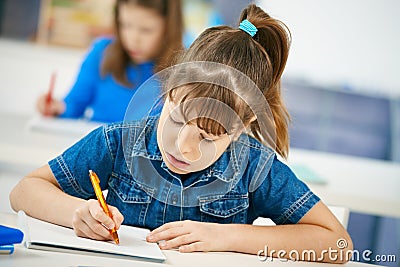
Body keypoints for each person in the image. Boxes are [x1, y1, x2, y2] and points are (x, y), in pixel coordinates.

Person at [10, 4, 353, 263]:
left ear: (240, 130)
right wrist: (76, 213)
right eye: (177, 120)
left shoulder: (254, 166)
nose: (184, 148)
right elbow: (24, 191)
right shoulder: (117, 142)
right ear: (169, 89)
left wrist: (227, 236)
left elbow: (338, 244)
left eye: (208, 138)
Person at [36, 0, 183, 123]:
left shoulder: (184, 68)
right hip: (99, 153)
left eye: (146, 30)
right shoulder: (102, 52)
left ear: (169, 28)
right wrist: (56, 108)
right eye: (125, 25)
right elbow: (73, 105)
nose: (133, 38)